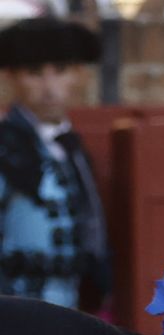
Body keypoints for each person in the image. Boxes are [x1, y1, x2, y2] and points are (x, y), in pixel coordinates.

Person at [0, 16, 110, 314]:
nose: (49, 88)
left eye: (59, 71)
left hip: (68, 312)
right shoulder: (5, 146)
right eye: (35, 73)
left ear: (77, 74)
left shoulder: (72, 148)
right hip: (12, 313)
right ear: (11, 76)